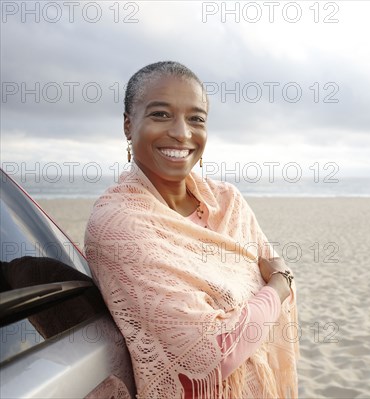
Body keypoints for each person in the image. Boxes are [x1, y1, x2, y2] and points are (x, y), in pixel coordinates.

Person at [84, 61, 299, 399]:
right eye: (160, 115)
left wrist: (266, 291)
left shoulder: (228, 202)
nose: (182, 133)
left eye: (196, 118)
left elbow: (262, 273)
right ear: (128, 125)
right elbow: (212, 355)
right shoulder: (119, 224)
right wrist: (280, 285)